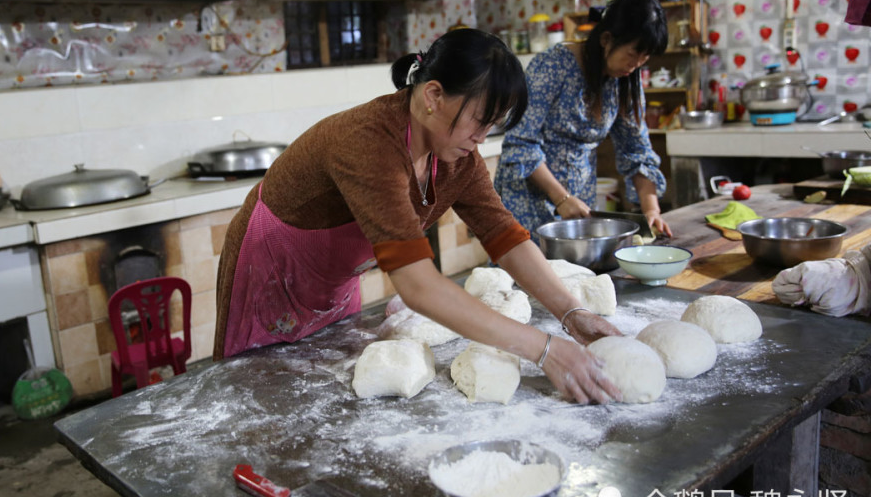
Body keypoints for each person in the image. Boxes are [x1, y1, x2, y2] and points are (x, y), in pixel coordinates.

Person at [214, 28, 622, 404]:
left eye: (492, 126)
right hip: (272, 270)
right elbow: (417, 286)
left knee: (330, 391)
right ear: (432, 96)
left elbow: (504, 235)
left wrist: (572, 314)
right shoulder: (369, 143)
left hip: (334, 278)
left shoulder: (459, 157)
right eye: (480, 121)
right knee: (261, 400)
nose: (482, 139)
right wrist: (543, 349)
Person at [494, 0, 673, 237]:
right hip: (527, 199)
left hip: (577, 200)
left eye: (644, 58)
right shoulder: (553, 66)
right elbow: (520, 143)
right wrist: (561, 198)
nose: (635, 65)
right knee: (527, 272)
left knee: (574, 272)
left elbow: (637, 151)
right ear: (606, 39)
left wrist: (651, 209)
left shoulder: (624, 80)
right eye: (632, 54)